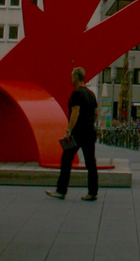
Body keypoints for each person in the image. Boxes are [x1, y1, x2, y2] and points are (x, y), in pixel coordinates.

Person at [46, 66, 99, 202]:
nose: (71, 79)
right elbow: (96, 113)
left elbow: (75, 112)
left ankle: (61, 190)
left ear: (76, 78)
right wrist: (90, 123)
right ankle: (92, 192)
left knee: (66, 159)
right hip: (90, 131)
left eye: (71, 77)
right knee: (90, 162)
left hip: (78, 133)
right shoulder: (91, 94)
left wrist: (68, 131)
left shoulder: (76, 94)